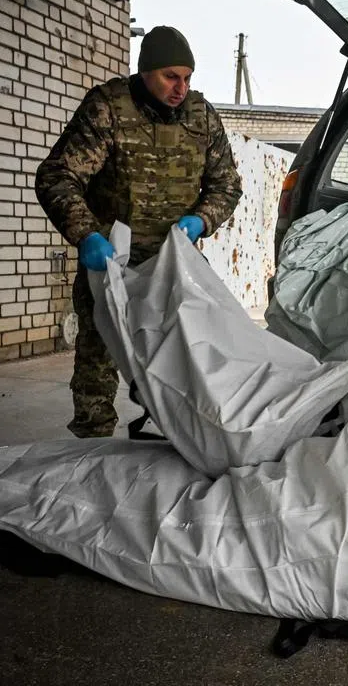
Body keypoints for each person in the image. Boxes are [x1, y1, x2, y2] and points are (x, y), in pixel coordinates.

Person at [36, 25, 243, 439]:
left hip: (174, 262)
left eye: (187, 78)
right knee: (98, 358)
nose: (180, 88)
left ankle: (170, 435)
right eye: (171, 76)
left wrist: (201, 219)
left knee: (180, 355)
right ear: (145, 71)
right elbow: (58, 176)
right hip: (112, 261)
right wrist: (86, 234)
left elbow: (227, 185)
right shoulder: (108, 109)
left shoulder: (201, 117)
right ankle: (91, 451)